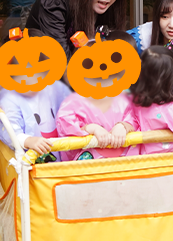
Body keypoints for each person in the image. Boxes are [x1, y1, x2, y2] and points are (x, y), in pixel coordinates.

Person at [56, 31, 138, 161]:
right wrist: (91, 129)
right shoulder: (74, 102)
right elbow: (65, 124)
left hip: (125, 160)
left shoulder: (125, 98)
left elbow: (137, 116)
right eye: (89, 65)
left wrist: (124, 125)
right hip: (91, 164)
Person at [0, 29, 71, 158]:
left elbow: (74, 110)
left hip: (63, 158)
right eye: (20, 63)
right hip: (29, 161)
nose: (30, 71)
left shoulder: (55, 87)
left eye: (39, 60)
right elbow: (8, 128)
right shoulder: (9, 98)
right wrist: (28, 140)